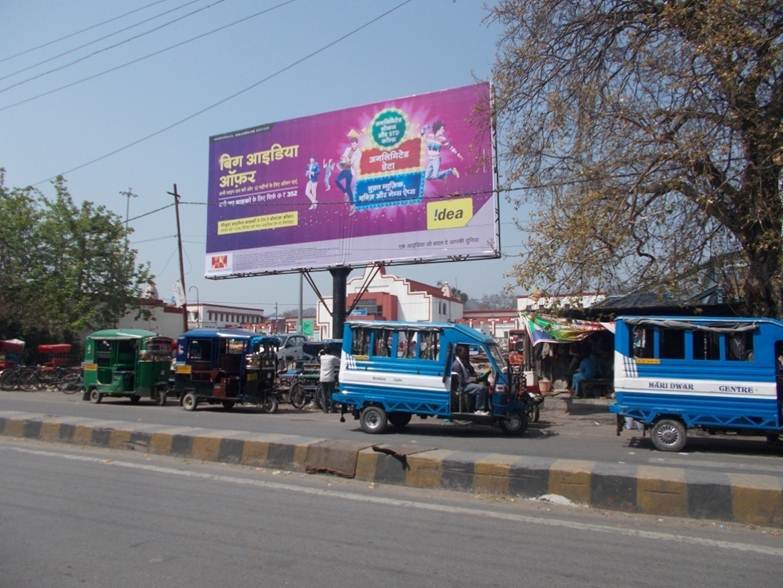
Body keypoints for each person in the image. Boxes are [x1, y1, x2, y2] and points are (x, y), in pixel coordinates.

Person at [451, 345, 489, 415]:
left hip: (466, 383)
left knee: (484, 386)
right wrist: (475, 379)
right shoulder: (456, 365)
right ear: (459, 353)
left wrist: (477, 376)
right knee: (481, 388)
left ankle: (480, 407)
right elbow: (461, 381)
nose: (466, 353)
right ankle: (479, 409)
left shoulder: (463, 362)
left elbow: (470, 372)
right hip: (461, 386)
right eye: (464, 352)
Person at [335, 130, 362, 214]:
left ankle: (352, 205)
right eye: (352, 144)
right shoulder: (348, 149)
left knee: (347, 186)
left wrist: (348, 160)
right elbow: (343, 157)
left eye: (355, 144)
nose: (353, 145)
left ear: (357, 144)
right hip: (345, 168)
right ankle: (347, 196)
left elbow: (354, 164)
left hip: (350, 170)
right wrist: (343, 159)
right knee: (337, 181)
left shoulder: (359, 153)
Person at [318, 347, 340, 413]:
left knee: (324, 394)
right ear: (331, 351)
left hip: (322, 378)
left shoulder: (322, 357)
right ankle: (332, 409)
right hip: (330, 378)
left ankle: (325, 409)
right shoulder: (333, 357)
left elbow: (318, 356)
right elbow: (340, 362)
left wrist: (320, 351)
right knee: (331, 394)